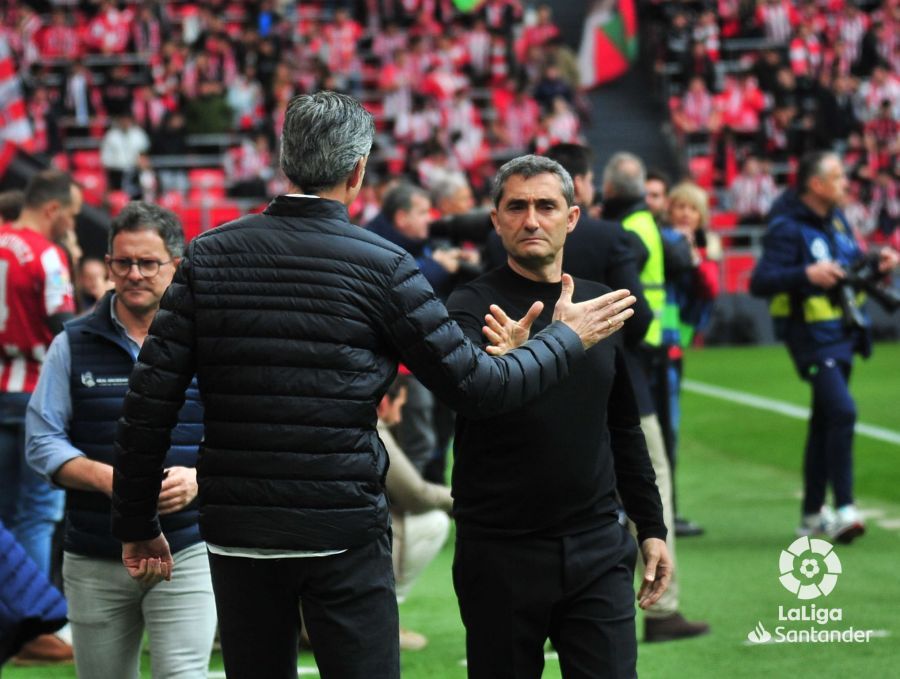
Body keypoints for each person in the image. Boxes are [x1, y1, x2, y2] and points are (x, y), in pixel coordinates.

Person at [108, 91, 636, 679]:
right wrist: (565, 338)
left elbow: (148, 402)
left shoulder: (209, 255)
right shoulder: (382, 264)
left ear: (285, 162)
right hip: (342, 529)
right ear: (358, 172)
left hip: (241, 530)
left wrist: (136, 523)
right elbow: (478, 388)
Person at [447, 154, 670, 677]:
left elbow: (623, 426)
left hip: (597, 546)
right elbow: (470, 399)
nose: (531, 220)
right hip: (501, 550)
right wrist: (518, 361)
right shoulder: (470, 306)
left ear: (571, 218)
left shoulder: (600, 303)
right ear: (496, 219)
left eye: (546, 206)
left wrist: (651, 525)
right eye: (516, 207)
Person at [25, 202, 216, 678]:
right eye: (123, 262)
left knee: (183, 673)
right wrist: (110, 480)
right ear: (108, 264)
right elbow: (42, 441)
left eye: (148, 263)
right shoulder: (72, 343)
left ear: (176, 265)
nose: (134, 274)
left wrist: (200, 477)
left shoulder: (210, 341)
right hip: (96, 551)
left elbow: (241, 433)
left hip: (189, 545)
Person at [750, 150, 900, 542]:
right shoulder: (786, 227)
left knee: (824, 421)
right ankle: (845, 507)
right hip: (811, 338)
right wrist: (806, 273)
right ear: (815, 185)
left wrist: (876, 263)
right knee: (843, 412)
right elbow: (760, 281)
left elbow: (850, 266)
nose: (845, 183)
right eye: (837, 177)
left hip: (843, 336)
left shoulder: (836, 219)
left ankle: (811, 515)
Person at [601, 152, 710, 640]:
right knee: (651, 480)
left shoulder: (614, 229)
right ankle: (661, 607)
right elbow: (644, 305)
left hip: (598, 368)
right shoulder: (636, 230)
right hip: (637, 367)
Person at [0, 170, 81, 664]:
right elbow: (63, 326)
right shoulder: (46, 254)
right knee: (35, 513)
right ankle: (29, 627)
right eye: (71, 215)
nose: (71, 225)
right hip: (33, 393)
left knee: (5, 514)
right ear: (52, 209)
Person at [378, 373, 453, 651]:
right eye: (399, 407)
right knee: (433, 521)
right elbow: (415, 493)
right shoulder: (374, 429)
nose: (399, 418)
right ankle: (383, 618)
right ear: (384, 403)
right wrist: (465, 499)